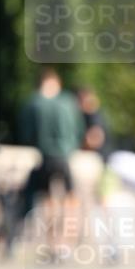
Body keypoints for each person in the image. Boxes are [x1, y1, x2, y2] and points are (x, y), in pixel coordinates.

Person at [19, 68, 84, 253]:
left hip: (45, 155)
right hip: (65, 155)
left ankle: (53, 243)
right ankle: (68, 242)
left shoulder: (33, 103)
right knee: (70, 198)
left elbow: (27, 134)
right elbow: (78, 129)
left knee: (49, 200)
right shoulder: (68, 101)